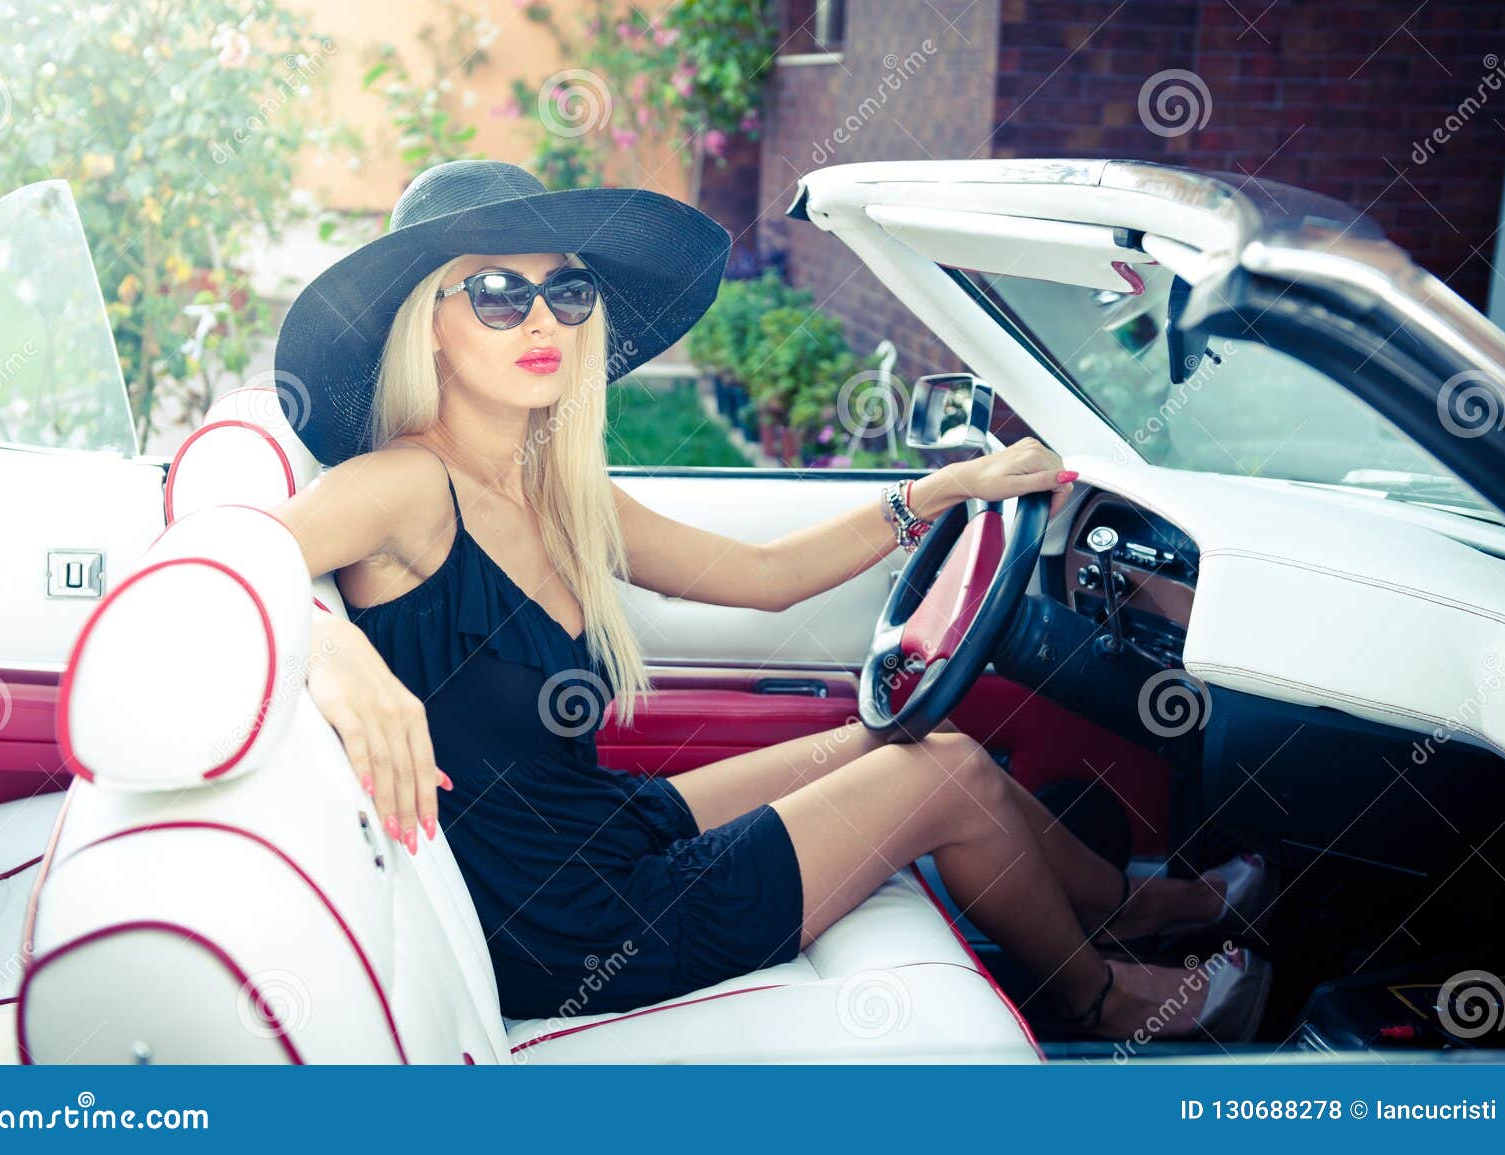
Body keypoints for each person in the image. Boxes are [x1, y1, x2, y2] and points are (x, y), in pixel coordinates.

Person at [270, 159, 1272, 1042]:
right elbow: (218, 560)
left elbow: (760, 581)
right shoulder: (399, 486)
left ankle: (1140, 910)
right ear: (426, 327)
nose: (539, 318)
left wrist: (937, 493)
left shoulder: (549, 489)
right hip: (562, 925)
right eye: (493, 292)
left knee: (907, 744)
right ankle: (1098, 1002)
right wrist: (333, 649)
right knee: (946, 783)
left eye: (564, 290)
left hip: (598, 828)